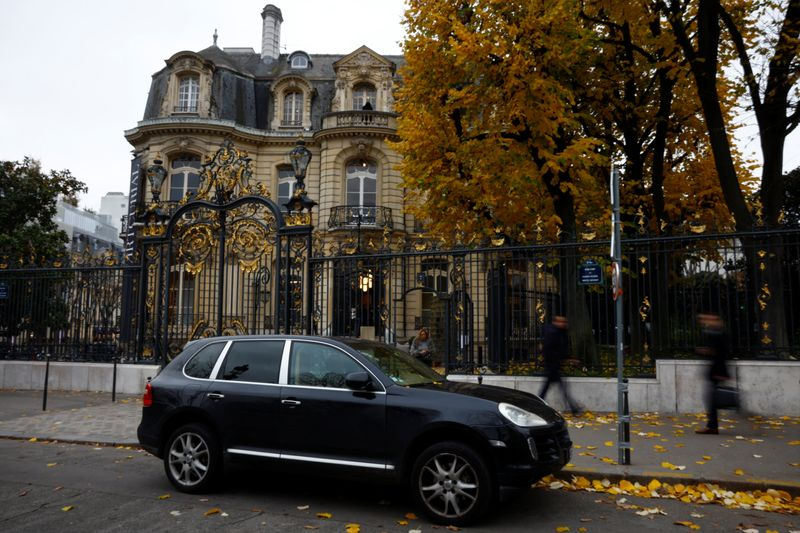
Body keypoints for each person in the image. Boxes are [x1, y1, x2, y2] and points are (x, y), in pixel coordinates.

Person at [695, 313, 730, 434]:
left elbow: (716, 352)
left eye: (708, 319)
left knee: (712, 400)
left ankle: (712, 426)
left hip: (717, 371)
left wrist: (702, 351)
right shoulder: (717, 333)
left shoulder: (718, 334)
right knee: (711, 399)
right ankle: (712, 425)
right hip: (717, 370)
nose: (705, 321)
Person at [538, 315, 581, 415]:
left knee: (547, 389)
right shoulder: (553, 333)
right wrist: (566, 358)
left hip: (554, 365)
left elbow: (561, 350)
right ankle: (574, 408)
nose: (564, 324)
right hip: (552, 365)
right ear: (555, 322)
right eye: (561, 322)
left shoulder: (559, 332)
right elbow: (550, 349)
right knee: (561, 389)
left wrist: (569, 358)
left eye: (564, 322)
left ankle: (538, 405)